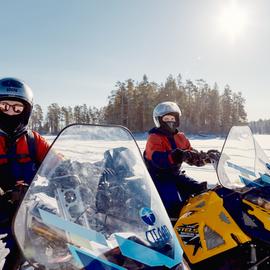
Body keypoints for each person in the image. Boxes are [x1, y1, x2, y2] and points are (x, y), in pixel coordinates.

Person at [0, 77, 50, 269]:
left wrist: (79, 172)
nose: (11, 112)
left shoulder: (32, 140)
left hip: (30, 209)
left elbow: (57, 161)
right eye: (5, 106)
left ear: (26, 111)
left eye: (17, 108)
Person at [144, 101, 219, 223]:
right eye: (166, 118)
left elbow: (191, 155)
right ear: (159, 120)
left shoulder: (181, 137)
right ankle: (172, 228)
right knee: (173, 204)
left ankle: (197, 223)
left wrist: (206, 157)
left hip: (175, 175)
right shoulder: (154, 137)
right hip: (159, 177)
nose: (170, 121)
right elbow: (158, 159)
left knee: (200, 191)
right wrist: (176, 156)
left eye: (172, 118)